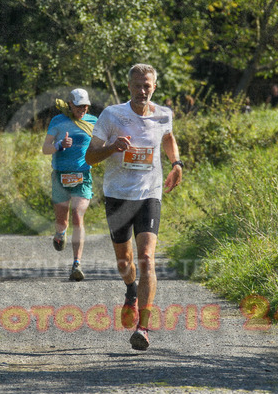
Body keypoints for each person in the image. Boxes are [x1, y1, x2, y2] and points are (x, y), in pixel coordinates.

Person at [85, 64, 183, 351]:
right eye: (138, 85)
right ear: (128, 86)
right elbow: (90, 157)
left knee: (147, 258)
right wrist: (112, 147)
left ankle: (143, 327)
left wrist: (176, 163)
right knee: (125, 263)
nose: (142, 90)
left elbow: (168, 137)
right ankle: (130, 290)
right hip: (117, 195)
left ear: (154, 86)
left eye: (147, 85)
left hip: (149, 194)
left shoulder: (164, 114)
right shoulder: (112, 115)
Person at [42, 89, 98, 282]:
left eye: (86, 106)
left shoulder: (93, 121)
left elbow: (102, 143)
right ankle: (60, 233)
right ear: (70, 104)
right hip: (60, 176)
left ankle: (76, 264)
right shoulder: (57, 121)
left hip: (83, 176)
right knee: (62, 221)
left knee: (77, 215)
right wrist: (59, 145)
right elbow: (45, 148)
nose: (83, 109)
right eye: (79, 106)